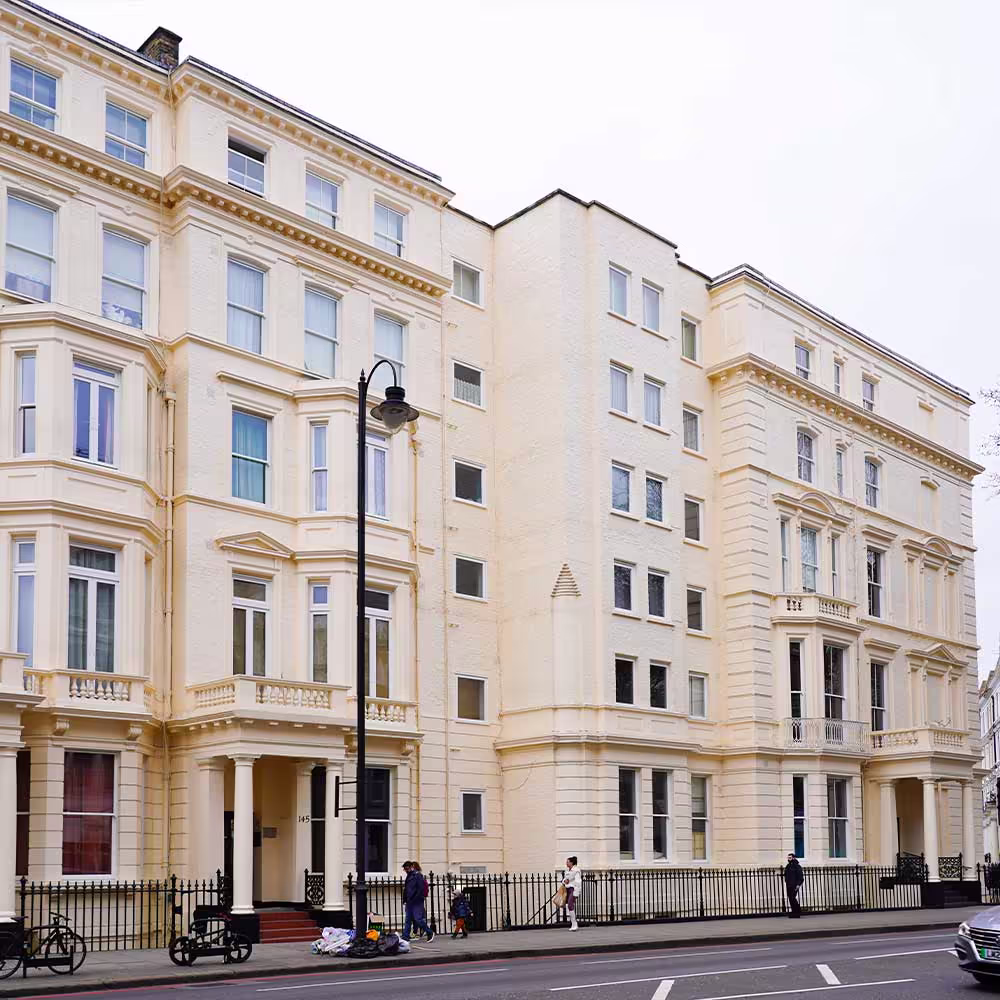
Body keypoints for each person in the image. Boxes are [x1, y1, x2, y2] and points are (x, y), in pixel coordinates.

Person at [401, 861, 434, 942]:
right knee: (408, 920)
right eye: (405, 869)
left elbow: (420, 888)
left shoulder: (418, 875)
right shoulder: (409, 876)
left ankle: (430, 932)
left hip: (416, 901)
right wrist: (404, 899)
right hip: (409, 901)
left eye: (407, 868)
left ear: (411, 866)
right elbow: (406, 889)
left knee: (418, 919)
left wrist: (415, 898)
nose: (406, 870)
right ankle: (405, 937)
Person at [562, 856, 582, 931]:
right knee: (568, 906)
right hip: (567, 889)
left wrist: (576, 893)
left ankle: (574, 924)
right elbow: (565, 879)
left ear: (572, 862)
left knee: (570, 905)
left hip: (573, 889)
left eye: (567, 862)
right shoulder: (567, 870)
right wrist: (564, 881)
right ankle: (573, 924)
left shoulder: (576, 870)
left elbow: (578, 882)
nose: (566, 863)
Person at [784, 853, 804, 918]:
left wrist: (798, 884)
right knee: (790, 898)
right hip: (789, 885)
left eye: (790, 858)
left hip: (794, 885)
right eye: (788, 858)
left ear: (793, 858)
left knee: (792, 898)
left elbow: (800, 877)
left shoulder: (797, 866)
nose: (788, 859)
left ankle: (797, 911)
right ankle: (794, 911)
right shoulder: (788, 866)